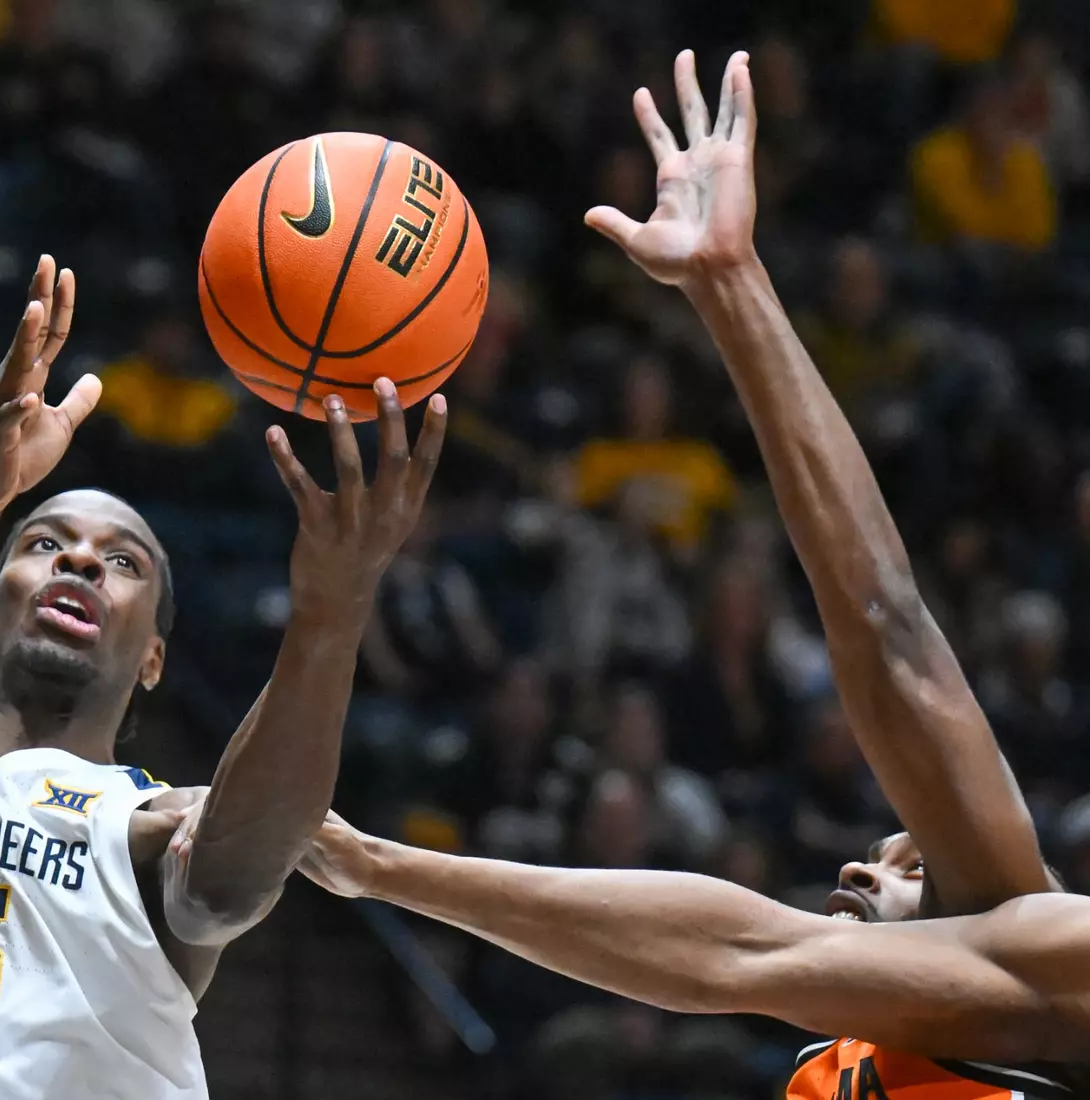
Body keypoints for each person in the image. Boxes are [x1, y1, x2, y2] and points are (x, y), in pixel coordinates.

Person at [295, 51, 1090, 1095]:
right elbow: (884, 627)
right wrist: (729, 280)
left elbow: (743, 953)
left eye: (907, 863)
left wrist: (378, 867)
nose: (861, 864)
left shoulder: (1055, 968)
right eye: (894, 847)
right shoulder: (850, 1054)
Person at [0, 256, 446, 1099]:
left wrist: (331, 617)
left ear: (154, 657)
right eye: (43, 542)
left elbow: (229, 887)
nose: (80, 558)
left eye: (123, 562)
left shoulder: (149, 825)